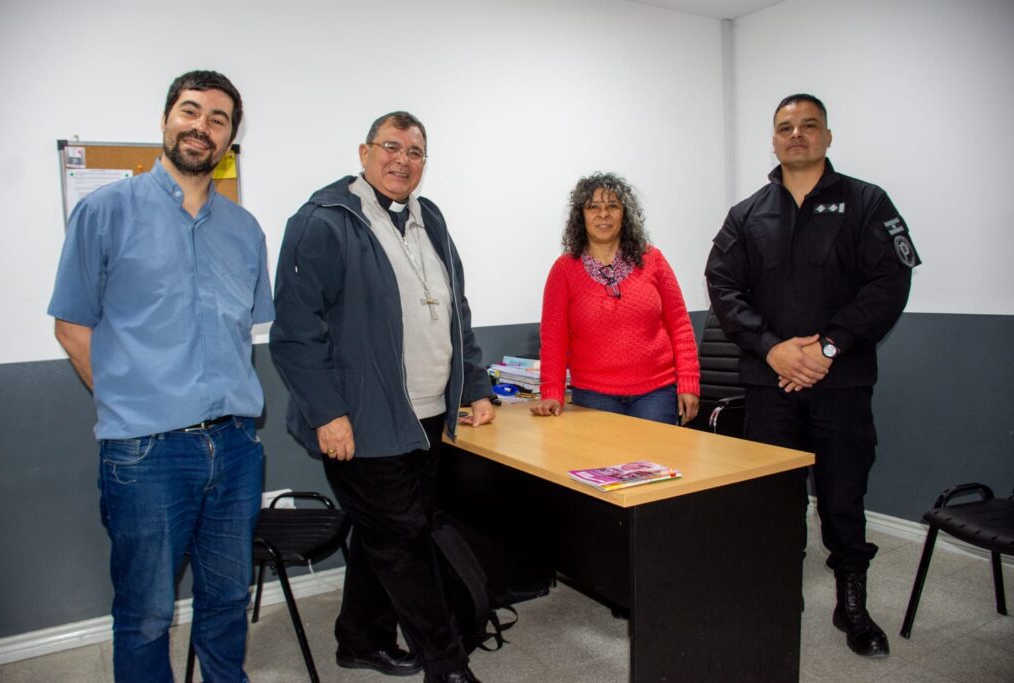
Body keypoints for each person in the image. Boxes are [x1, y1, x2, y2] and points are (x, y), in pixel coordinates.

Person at [48, 70, 273, 682]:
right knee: (146, 613)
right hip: (146, 453)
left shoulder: (245, 232)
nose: (202, 126)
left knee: (227, 600)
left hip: (233, 448)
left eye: (218, 118)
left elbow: (243, 333)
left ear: (229, 139)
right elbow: (71, 328)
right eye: (191, 111)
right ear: (167, 119)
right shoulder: (105, 212)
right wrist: (131, 404)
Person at [269, 111, 495, 683]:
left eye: (415, 151)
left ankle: (360, 639)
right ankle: (446, 665)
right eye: (391, 147)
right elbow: (296, 332)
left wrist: (475, 385)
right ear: (365, 152)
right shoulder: (324, 221)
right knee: (403, 541)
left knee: (386, 533)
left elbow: (455, 311)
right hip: (362, 420)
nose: (402, 159)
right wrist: (328, 413)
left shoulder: (431, 219)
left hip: (428, 416)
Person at [705, 93, 920, 658]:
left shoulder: (868, 203)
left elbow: (889, 285)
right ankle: (779, 597)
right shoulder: (747, 214)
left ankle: (853, 606)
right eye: (784, 127)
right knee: (774, 500)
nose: (795, 134)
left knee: (842, 496)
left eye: (808, 125)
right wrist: (774, 349)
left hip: (841, 385)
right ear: (772, 140)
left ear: (827, 136)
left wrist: (828, 347)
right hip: (768, 385)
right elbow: (723, 289)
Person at [531, 173, 700, 426]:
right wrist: (552, 394)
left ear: (625, 214)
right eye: (593, 207)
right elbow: (553, 338)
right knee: (600, 465)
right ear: (581, 216)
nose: (603, 214)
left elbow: (680, 325)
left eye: (612, 206)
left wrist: (689, 382)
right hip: (593, 397)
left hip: (656, 394)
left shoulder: (653, 260)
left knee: (656, 466)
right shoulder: (564, 269)